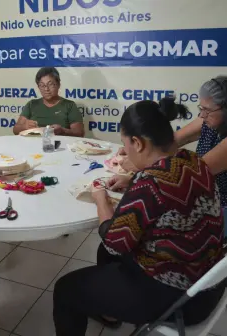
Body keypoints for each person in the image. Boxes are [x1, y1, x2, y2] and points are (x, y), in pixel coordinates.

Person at [53, 98, 225, 336]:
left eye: (125, 144)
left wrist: (100, 198)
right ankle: (110, 310)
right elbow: (167, 192)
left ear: (137, 142)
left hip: (181, 299)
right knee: (104, 256)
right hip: (208, 283)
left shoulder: (150, 183)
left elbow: (114, 242)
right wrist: (132, 180)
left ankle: (110, 303)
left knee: (65, 289)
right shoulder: (192, 160)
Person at [175, 76, 227, 238]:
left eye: (207, 110)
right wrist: (135, 151)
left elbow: (193, 171)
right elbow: (172, 141)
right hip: (207, 200)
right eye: (201, 108)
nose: (202, 115)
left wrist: (138, 174)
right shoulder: (212, 119)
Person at [13, 67, 85, 137]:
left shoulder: (69, 105)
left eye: (50, 84)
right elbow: (15, 130)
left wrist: (63, 131)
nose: (46, 89)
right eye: (42, 85)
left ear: (58, 84)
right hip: (34, 145)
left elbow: (79, 133)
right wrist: (24, 126)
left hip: (60, 146)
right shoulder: (32, 104)